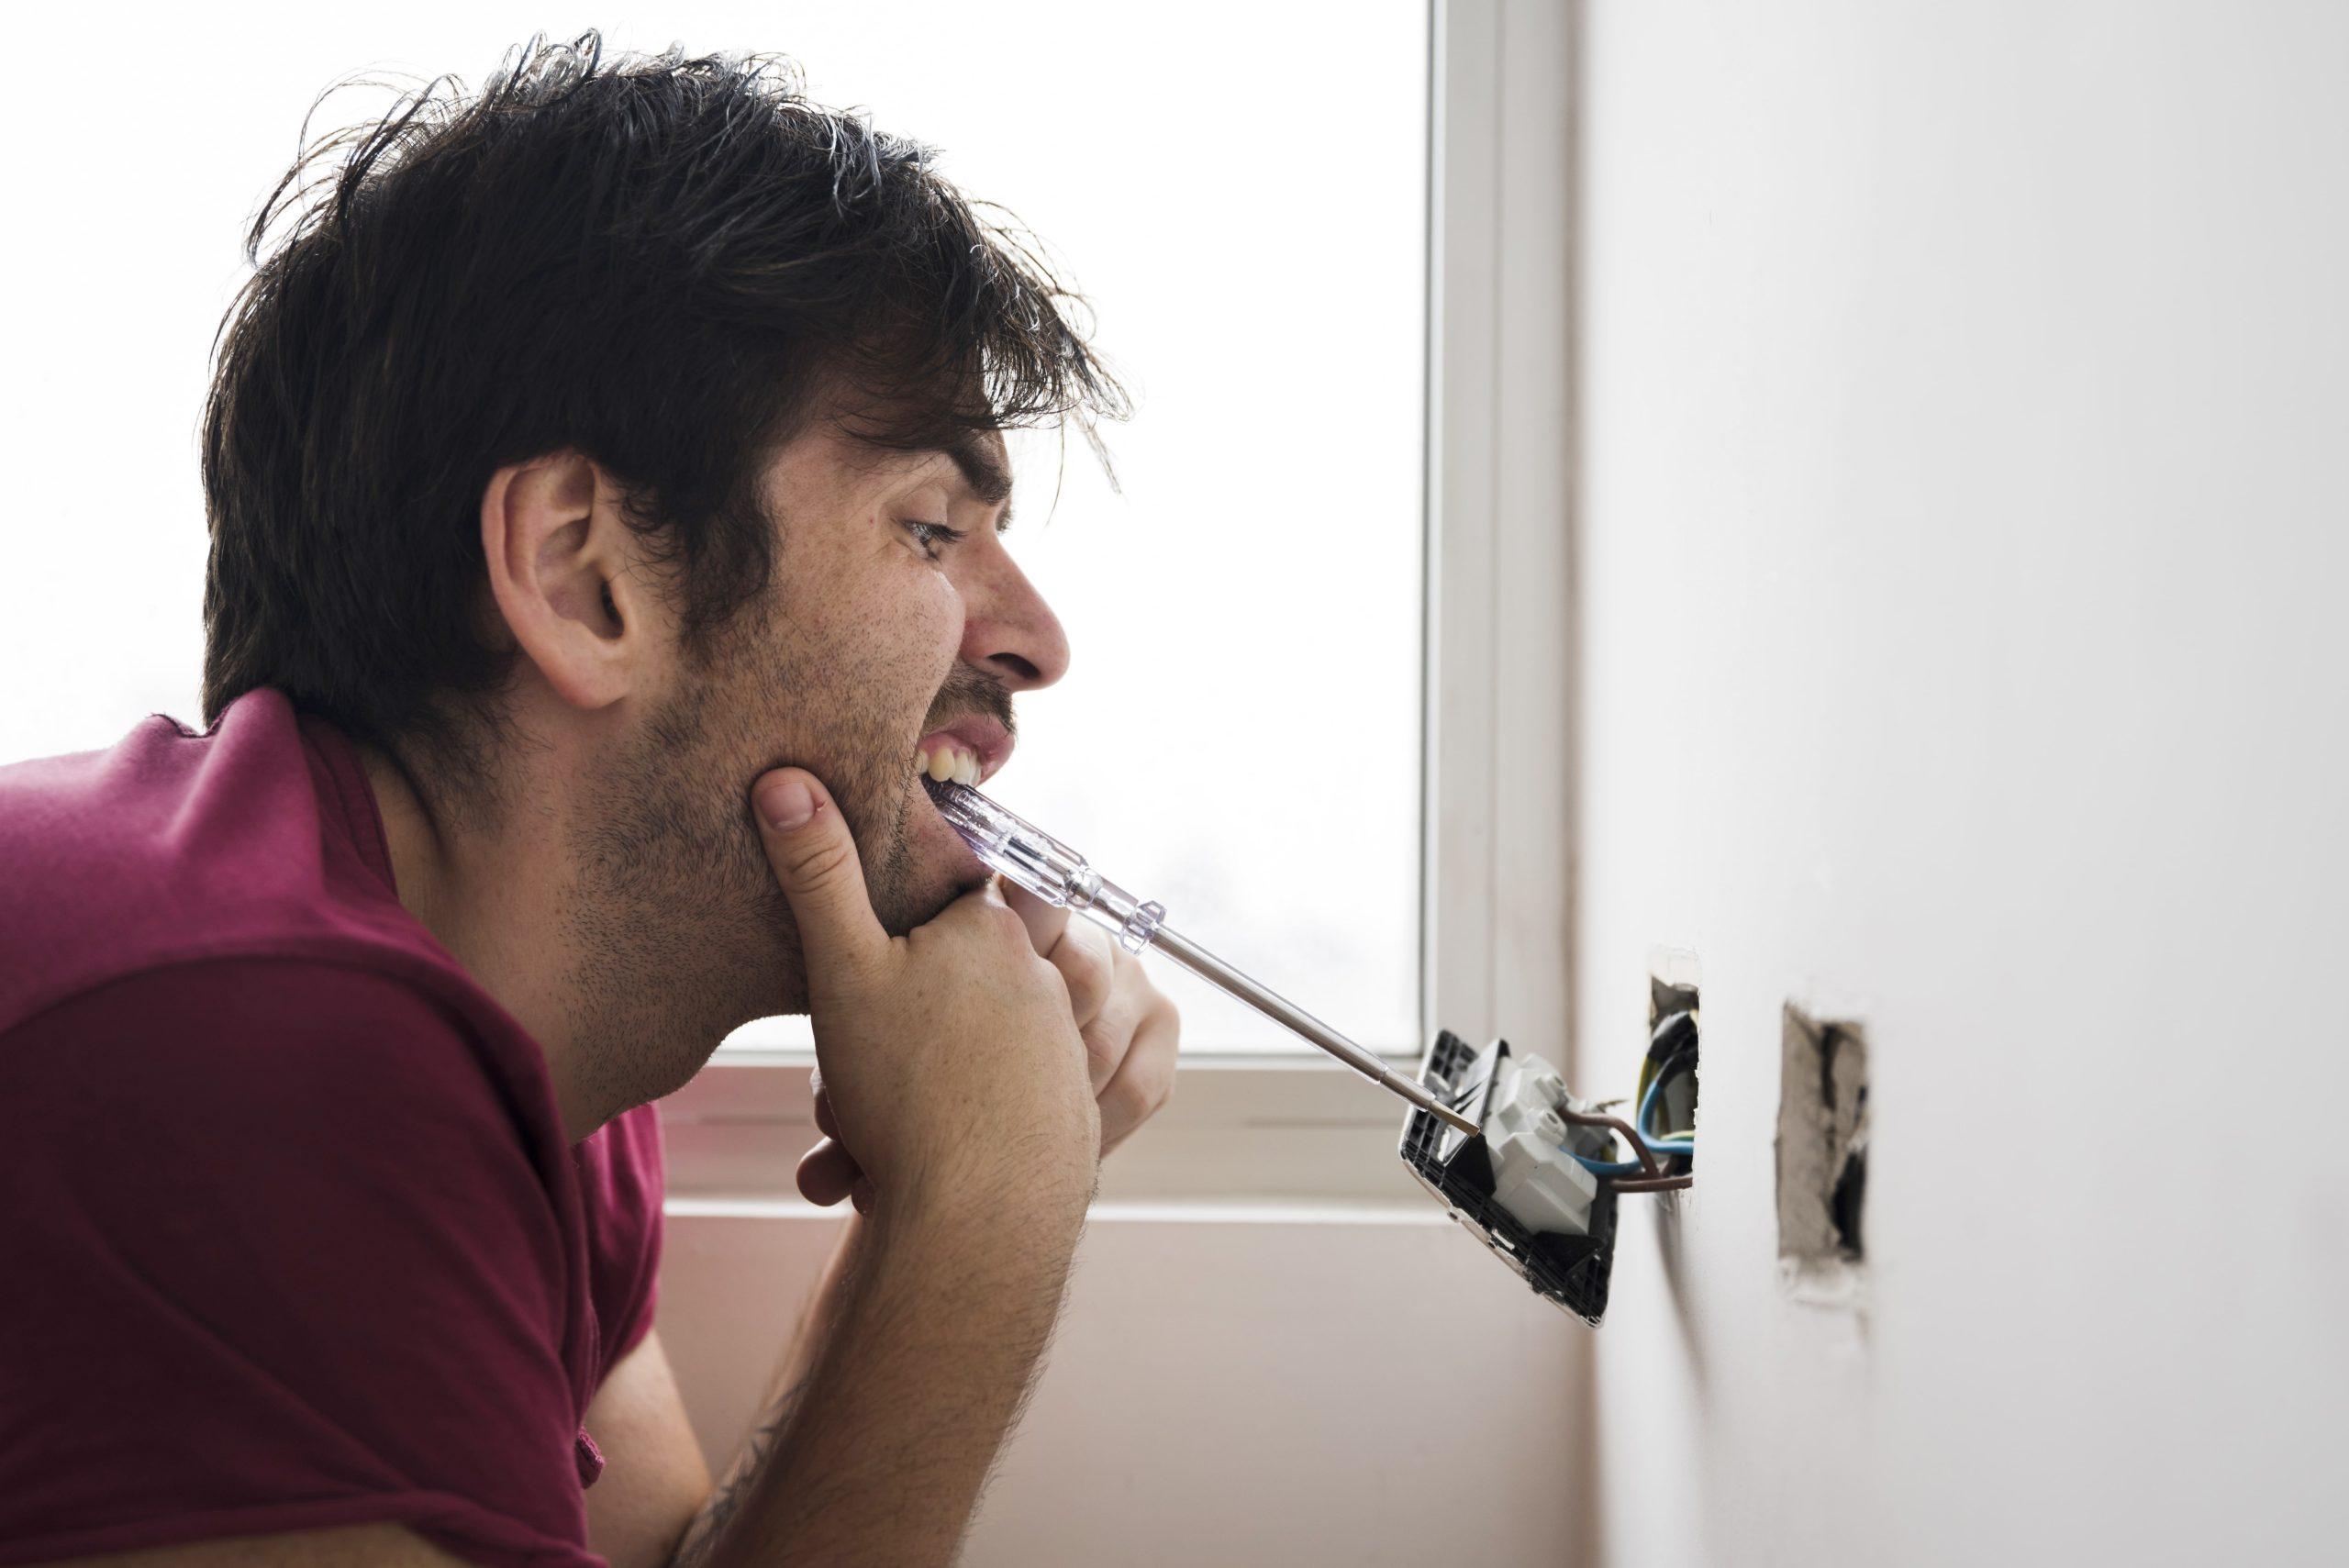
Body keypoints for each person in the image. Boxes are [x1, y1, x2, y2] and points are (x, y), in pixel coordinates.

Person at [0, 31, 1178, 1568]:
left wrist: (926, 1208)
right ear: (584, 575)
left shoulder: (536, 1063)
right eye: (932, 526)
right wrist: (987, 1218)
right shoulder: (247, 1049)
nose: (1036, 639)